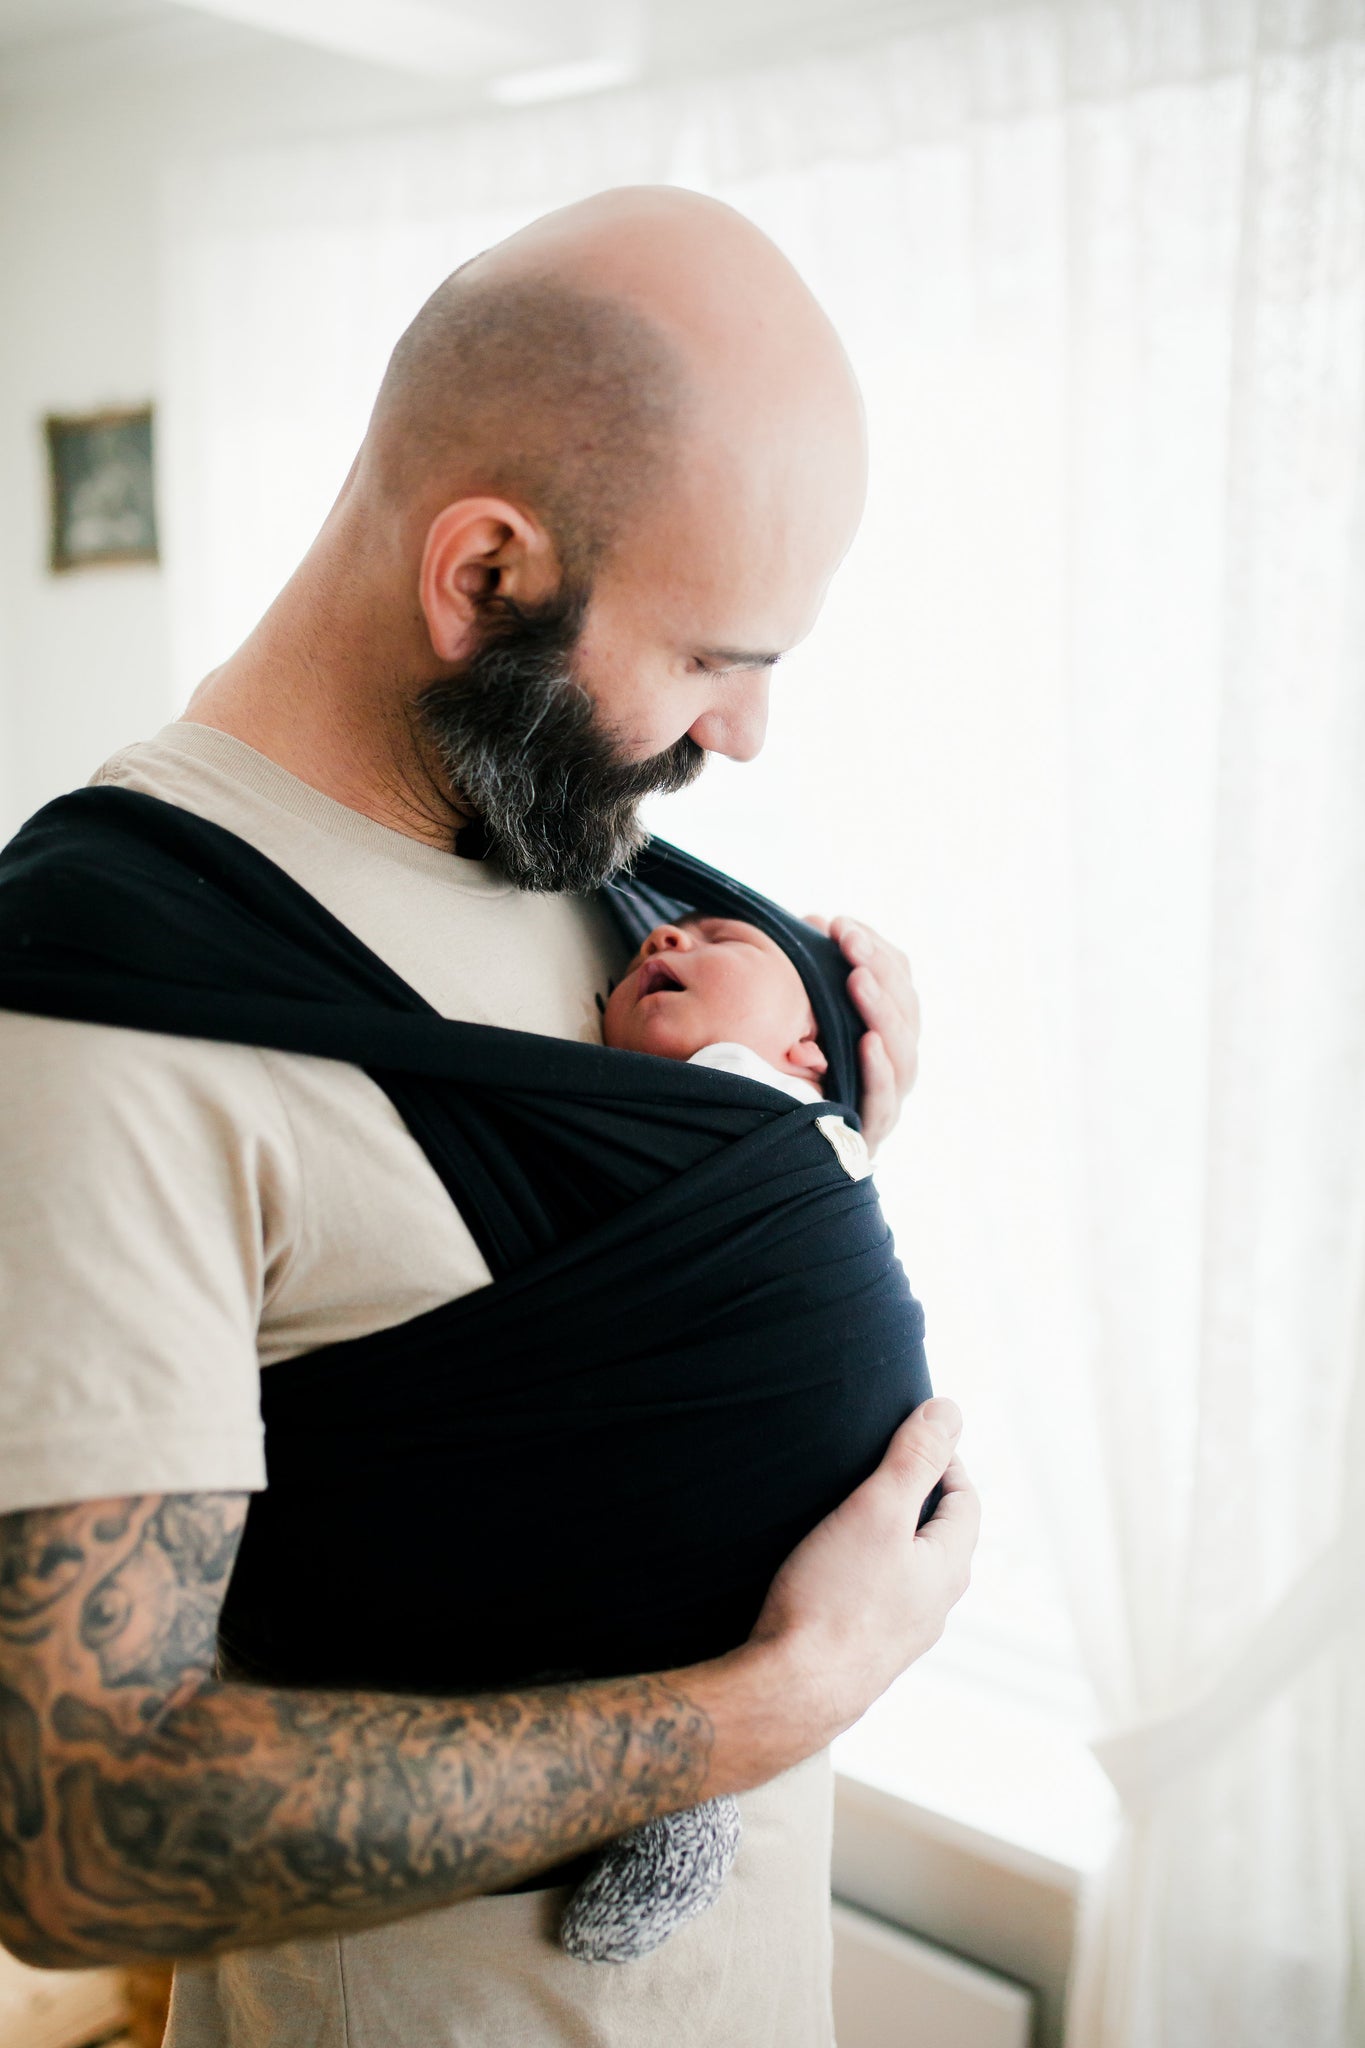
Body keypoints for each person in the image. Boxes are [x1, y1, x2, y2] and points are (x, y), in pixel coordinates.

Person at [0, 186, 979, 2048]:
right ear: (484, 576)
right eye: (709, 660)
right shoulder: (100, 1015)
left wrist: (802, 1158)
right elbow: (84, 1839)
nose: (749, 738)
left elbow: (564, 1363)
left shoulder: (584, 856)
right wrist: (784, 1696)